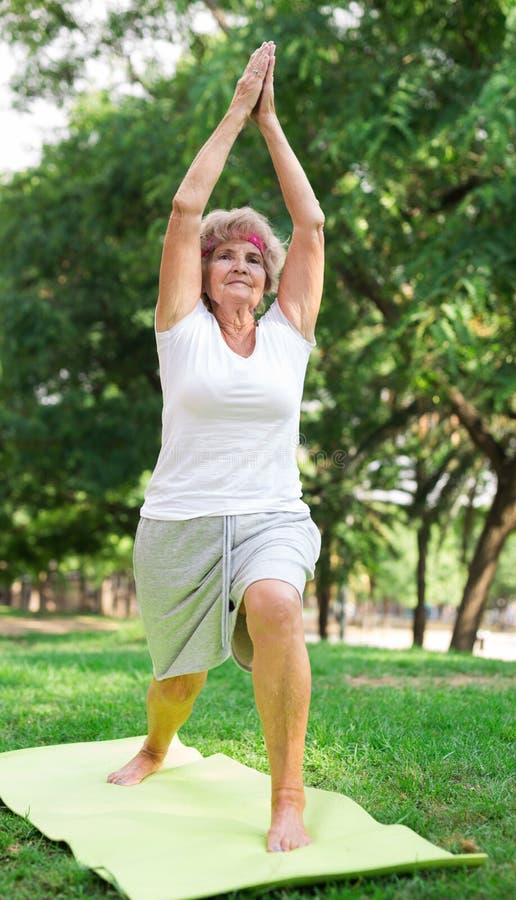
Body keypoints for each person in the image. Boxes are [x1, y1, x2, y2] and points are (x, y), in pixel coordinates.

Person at [107, 41, 325, 854]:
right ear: (199, 277)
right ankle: (158, 744)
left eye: (253, 259)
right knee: (179, 683)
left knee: (276, 606)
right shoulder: (181, 331)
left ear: (270, 283)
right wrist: (234, 110)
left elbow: (310, 223)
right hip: (181, 521)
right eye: (224, 256)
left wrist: (272, 125)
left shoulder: (289, 336)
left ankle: (288, 799)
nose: (240, 263)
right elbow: (183, 213)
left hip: (271, 515)